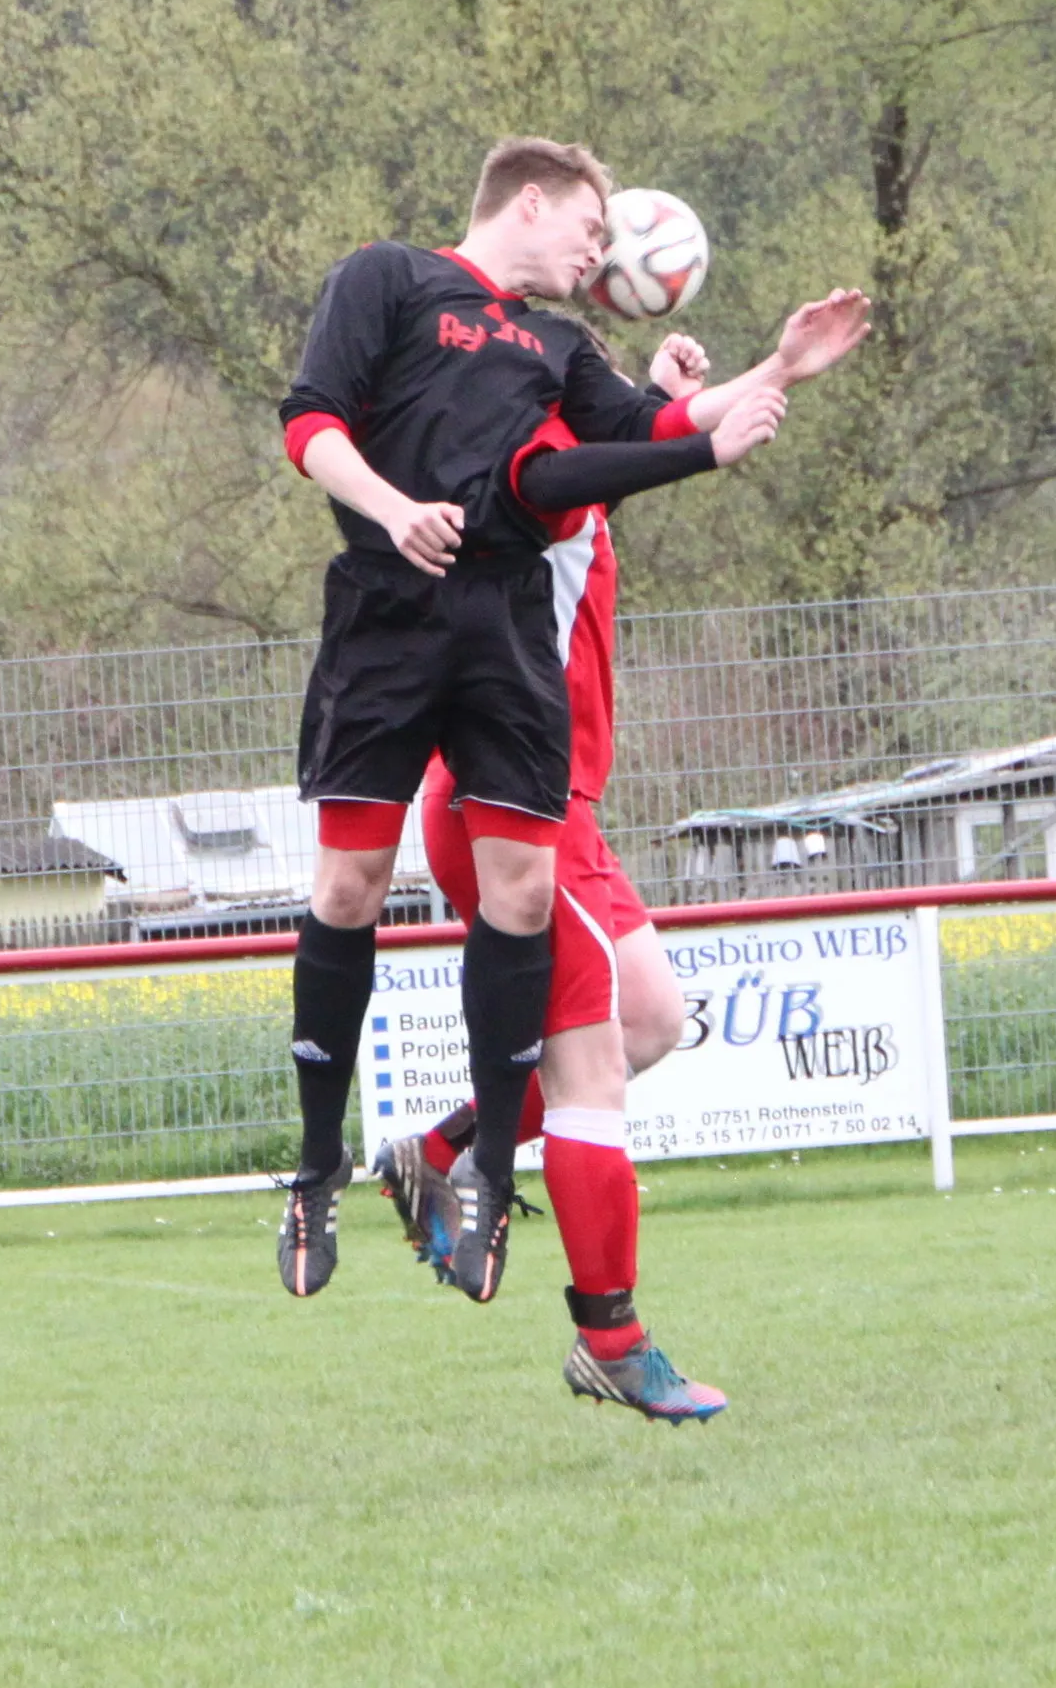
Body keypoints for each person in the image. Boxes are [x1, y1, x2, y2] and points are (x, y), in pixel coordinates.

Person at [276, 130, 866, 1305]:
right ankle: (332, 1168)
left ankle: (474, 1165)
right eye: (593, 227)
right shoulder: (395, 283)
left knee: (602, 985)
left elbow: (636, 435)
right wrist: (394, 508)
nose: (600, 251)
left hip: (507, 669)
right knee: (360, 894)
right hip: (400, 632)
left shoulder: (555, 351)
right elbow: (320, 425)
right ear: (530, 202)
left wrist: (775, 371)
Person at [375, 299, 870, 1417]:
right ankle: (611, 1337)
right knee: (591, 1070)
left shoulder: (559, 457)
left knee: (649, 1020)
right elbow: (604, 459)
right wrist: (736, 399)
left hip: (556, 809)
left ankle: (441, 1151)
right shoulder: (530, 469)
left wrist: (730, 383)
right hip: (510, 808)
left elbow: (626, 441)